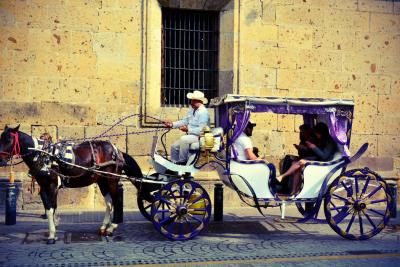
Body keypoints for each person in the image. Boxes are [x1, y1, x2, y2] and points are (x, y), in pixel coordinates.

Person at [276, 122, 337, 193]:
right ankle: (293, 191)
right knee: (292, 162)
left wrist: (313, 147)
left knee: (301, 162)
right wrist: (302, 148)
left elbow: (324, 156)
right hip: (315, 159)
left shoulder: (329, 142)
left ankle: (282, 177)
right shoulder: (320, 140)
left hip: (323, 163)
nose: (316, 135)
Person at [163, 90, 210, 164]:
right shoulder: (193, 110)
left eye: (194, 101)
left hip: (200, 136)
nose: (191, 103)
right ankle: (173, 165)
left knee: (184, 139)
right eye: (191, 100)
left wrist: (188, 129)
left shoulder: (203, 113)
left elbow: (202, 129)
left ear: (200, 101)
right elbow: (184, 121)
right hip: (191, 135)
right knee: (174, 147)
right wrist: (172, 124)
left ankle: (182, 162)